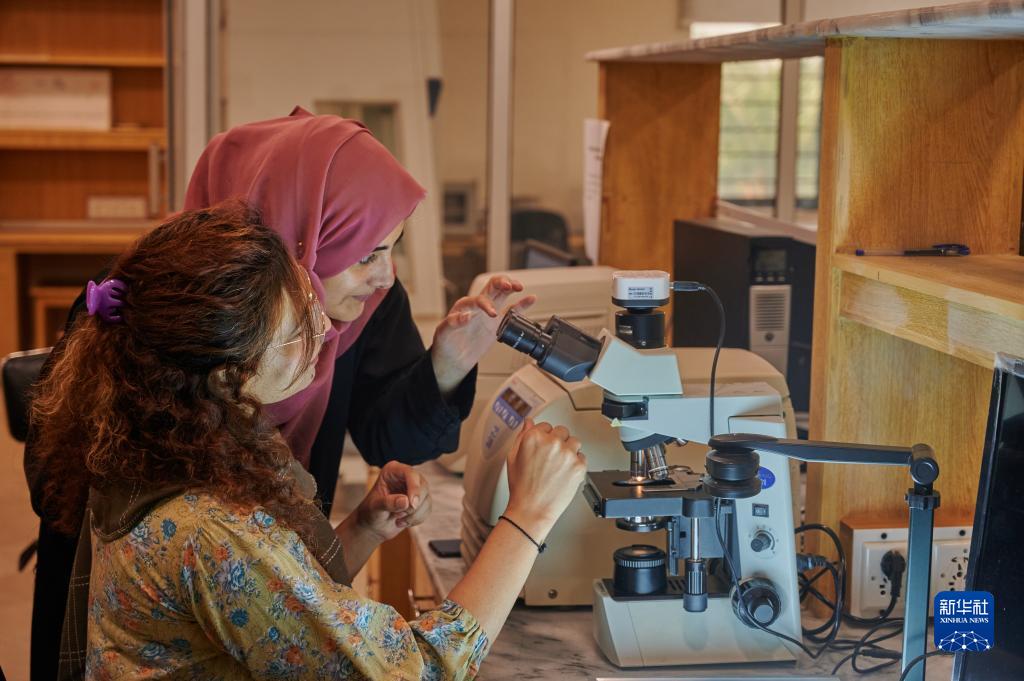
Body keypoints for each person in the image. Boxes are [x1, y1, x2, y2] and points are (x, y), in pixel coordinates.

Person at [24, 107, 534, 680]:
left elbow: (283, 590)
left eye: (393, 247)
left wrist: (448, 366)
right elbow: (414, 669)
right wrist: (527, 517)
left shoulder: (216, 515)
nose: (321, 338)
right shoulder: (148, 304)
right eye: (366, 253)